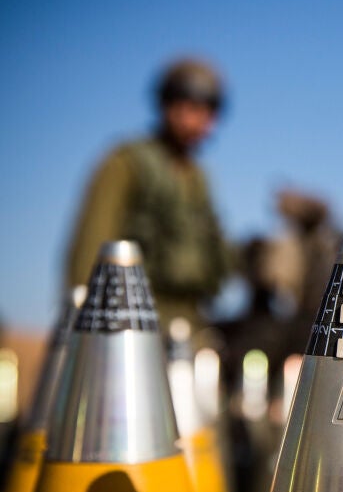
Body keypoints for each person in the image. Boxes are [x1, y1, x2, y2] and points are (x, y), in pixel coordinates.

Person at [65, 57, 232, 333]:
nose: (204, 122)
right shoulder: (126, 164)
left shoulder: (198, 179)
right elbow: (89, 254)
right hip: (134, 320)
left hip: (193, 322)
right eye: (194, 107)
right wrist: (91, 329)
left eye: (210, 111)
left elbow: (214, 254)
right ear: (168, 105)